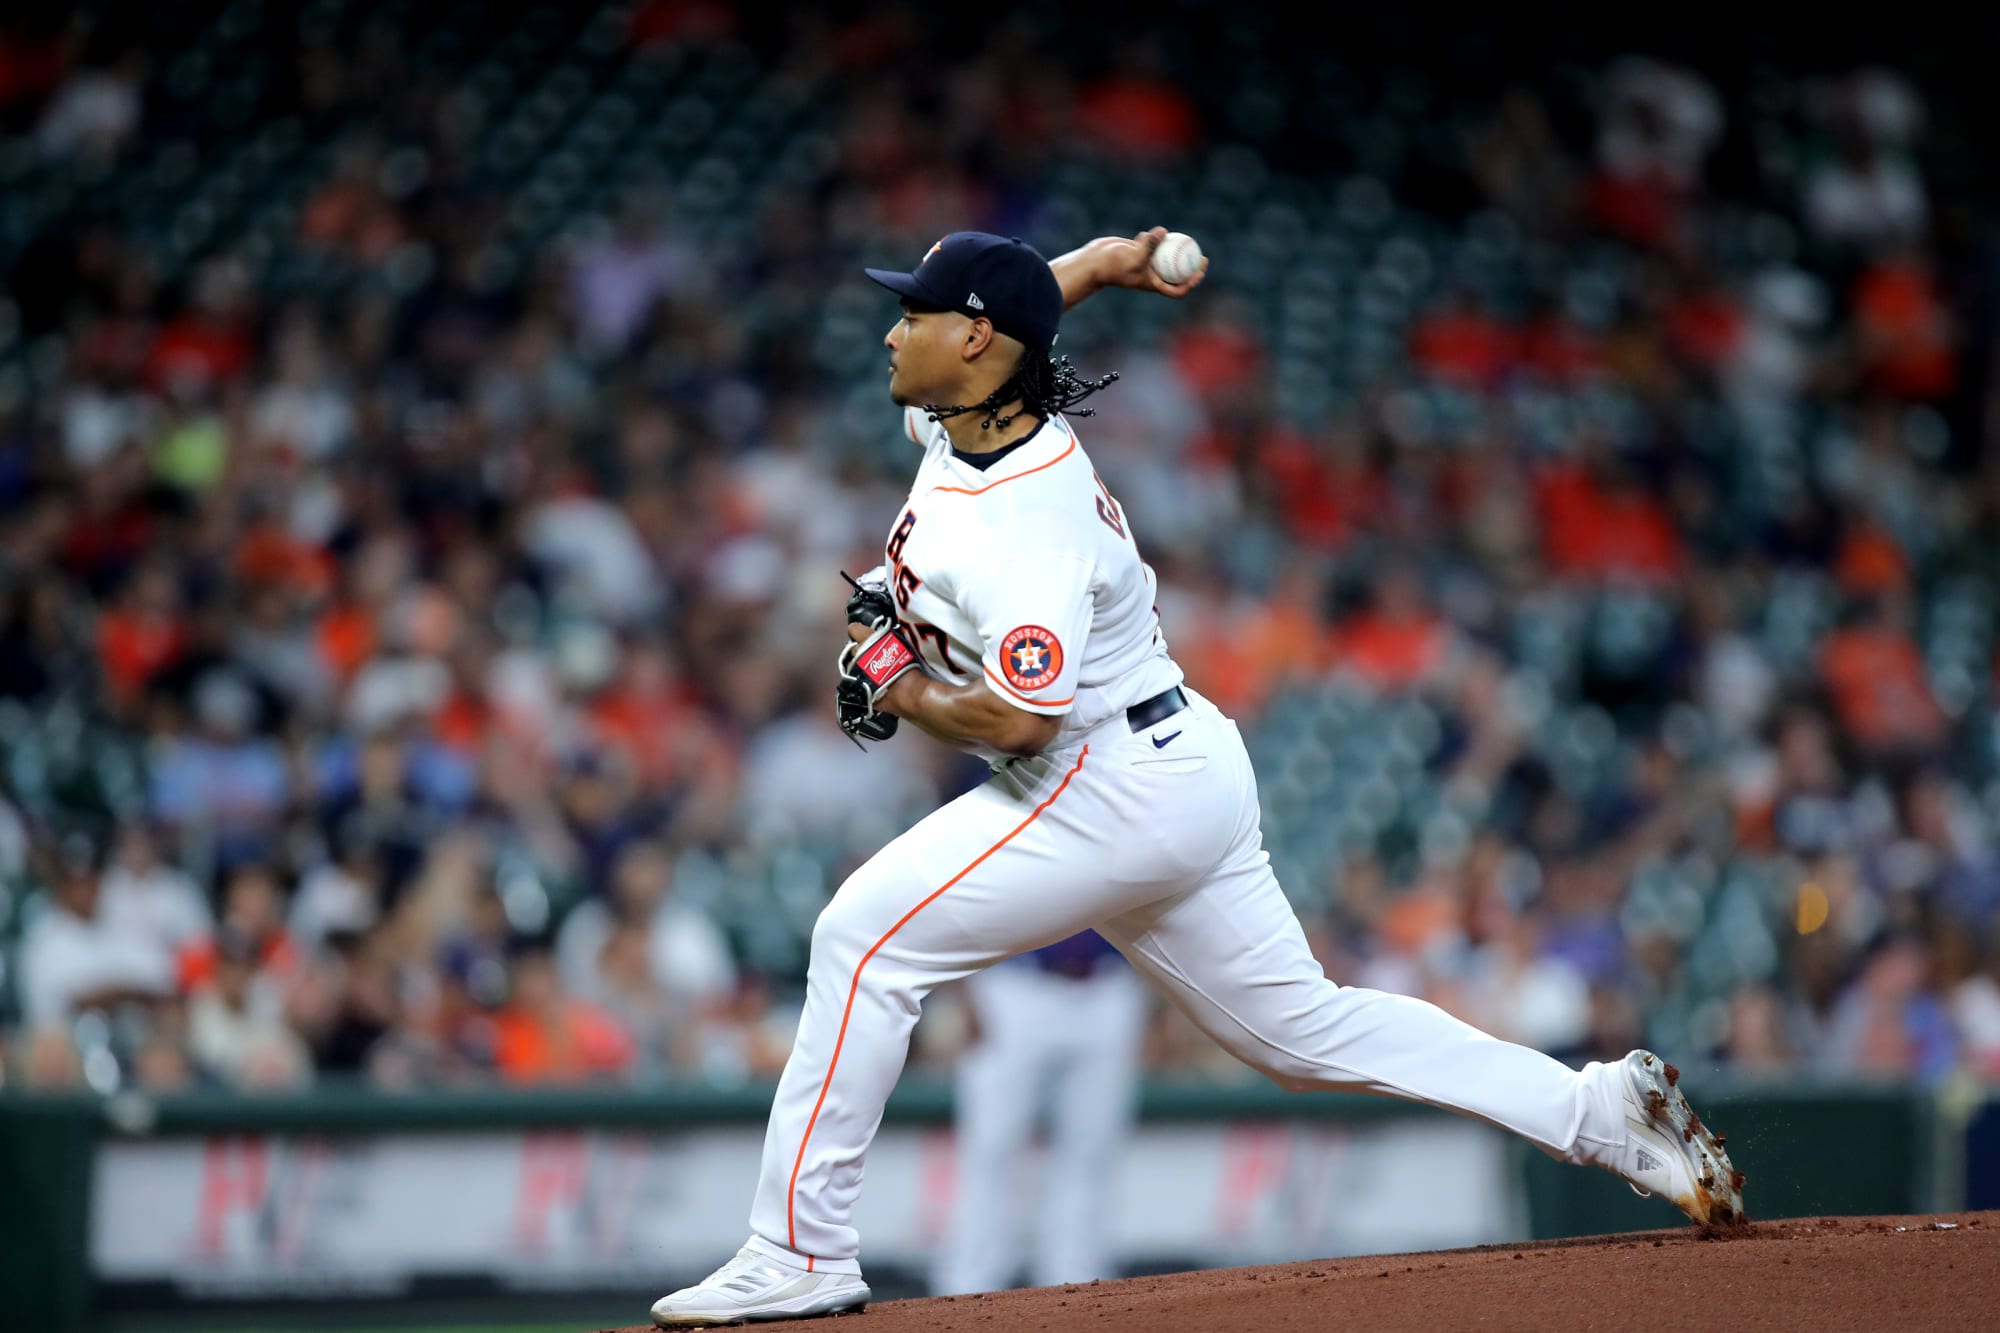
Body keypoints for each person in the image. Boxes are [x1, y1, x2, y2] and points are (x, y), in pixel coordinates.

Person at [649, 230, 1743, 1327]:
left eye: (915, 313)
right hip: (1177, 762)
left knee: (860, 938)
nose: (892, 330)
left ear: (974, 341)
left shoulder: (1021, 524)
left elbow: (1020, 717)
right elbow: (1039, 298)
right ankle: (1597, 1109)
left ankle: (796, 1248)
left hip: (1097, 775)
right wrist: (1110, 258)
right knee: (1302, 1033)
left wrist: (898, 687)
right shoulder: (964, 406)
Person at [931, 930, 1148, 1295]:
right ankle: (968, 1290)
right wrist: (964, 992)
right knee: (992, 1148)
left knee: (1092, 1151)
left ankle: (1079, 1288)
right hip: (1012, 984)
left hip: (1109, 983)